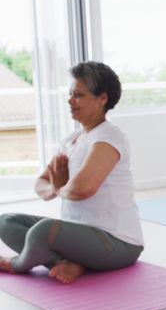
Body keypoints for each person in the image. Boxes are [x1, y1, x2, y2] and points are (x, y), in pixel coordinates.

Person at [0, 61, 144, 284]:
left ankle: (18, 264)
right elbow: (41, 185)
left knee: (42, 231)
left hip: (117, 242)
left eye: (78, 95)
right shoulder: (72, 140)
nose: (70, 100)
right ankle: (64, 263)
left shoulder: (109, 136)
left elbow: (82, 190)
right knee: (6, 221)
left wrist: (59, 188)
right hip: (79, 236)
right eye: (70, 94)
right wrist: (58, 188)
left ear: (102, 99)